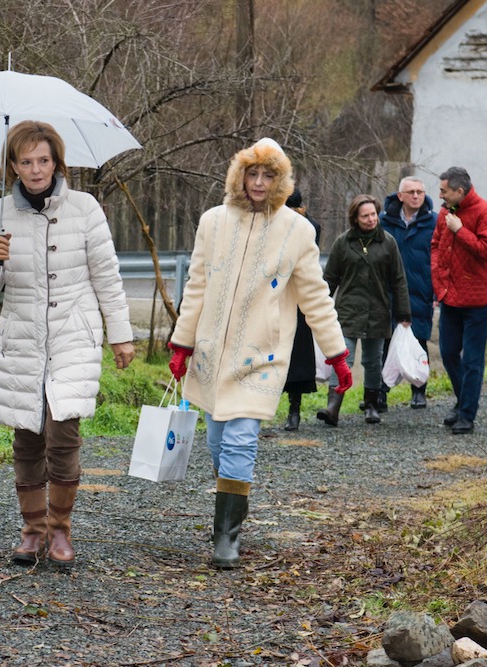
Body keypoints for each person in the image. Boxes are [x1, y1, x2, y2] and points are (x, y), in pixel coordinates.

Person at [167, 138, 352, 569]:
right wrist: (182, 342)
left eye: (268, 176)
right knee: (217, 442)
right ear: (239, 176)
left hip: (261, 356)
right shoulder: (213, 222)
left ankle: (226, 538)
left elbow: (317, 298)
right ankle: (229, 503)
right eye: (252, 174)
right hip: (212, 353)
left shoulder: (297, 231)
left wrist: (337, 355)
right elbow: (196, 285)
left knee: (240, 441)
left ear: (280, 182)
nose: (258, 183)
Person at [0, 120, 136, 567]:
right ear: (13, 167)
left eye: (43, 160)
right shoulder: (0, 214)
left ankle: (60, 530)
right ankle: (32, 531)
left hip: (73, 335)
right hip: (23, 335)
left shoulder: (85, 208)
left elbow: (106, 274)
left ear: (57, 162)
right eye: (26, 161)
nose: (36, 169)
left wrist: (120, 335)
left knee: (63, 431)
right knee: (27, 434)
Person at [321, 194, 411, 425]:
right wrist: (319, 307)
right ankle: (333, 407)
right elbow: (330, 278)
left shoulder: (388, 242)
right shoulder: (343, 242)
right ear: (355, 218)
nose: (371, 219)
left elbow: (398, 279)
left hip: (378, 311)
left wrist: (404, 314)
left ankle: (371, 405)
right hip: (348, 311)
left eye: (373, 214)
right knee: (343, 358)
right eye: (365, 216)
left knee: (372, 361)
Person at [431, 167, 487, 435]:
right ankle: (463, 401)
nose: (440, 195)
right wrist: (439, 283)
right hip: (450, 297)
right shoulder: (446, 211)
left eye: (444, 191)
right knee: (448, 353)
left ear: (460, 191)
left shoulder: (484, 212)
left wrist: (460, 230)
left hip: (478, 300)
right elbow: (436, 245)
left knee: (472, 359)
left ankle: (467, 415)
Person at [380, 175, 436, 409]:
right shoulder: (385, 222)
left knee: (419, 340)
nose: (415, 196)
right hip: (389, 291)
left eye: (420, 192)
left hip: (421, 289)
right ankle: (380, 393)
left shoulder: (434, 222)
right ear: (400, 195)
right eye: (411, 192)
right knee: (386, 340)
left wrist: (435, 292)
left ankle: (419, 389)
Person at [282, 188, 322, 431]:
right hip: (270, 296)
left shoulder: (309, 227)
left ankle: (293, 410)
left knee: (297, 355)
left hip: (296, 296)